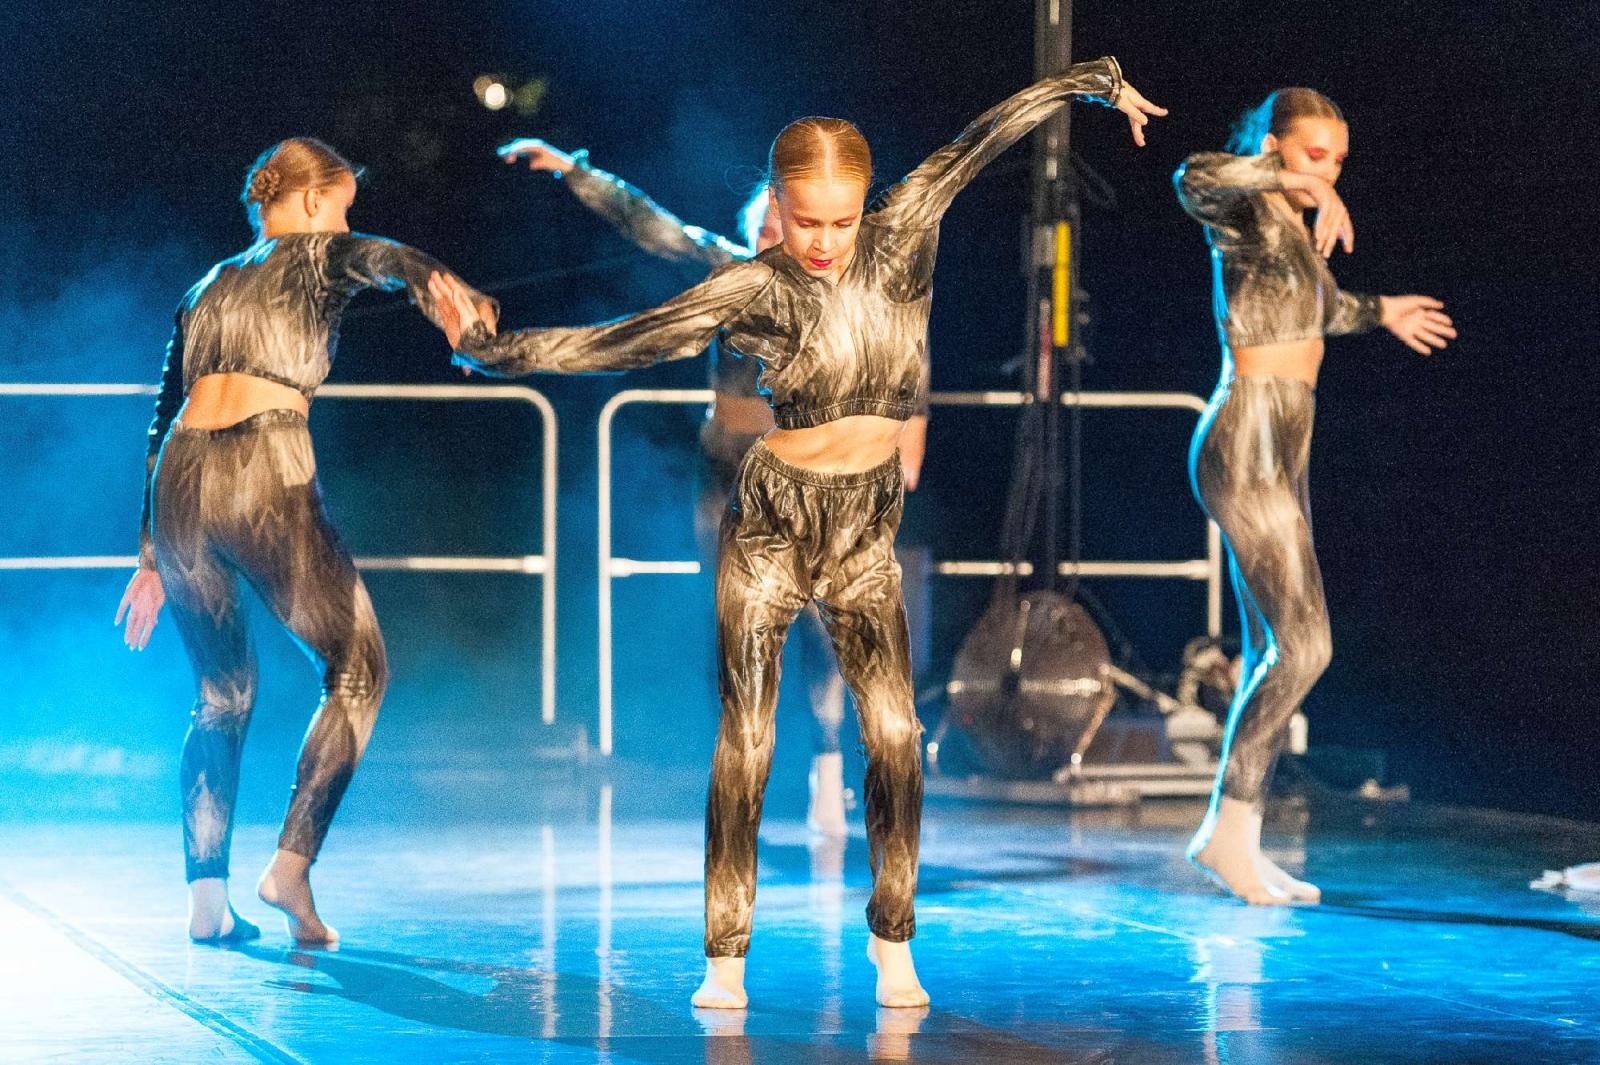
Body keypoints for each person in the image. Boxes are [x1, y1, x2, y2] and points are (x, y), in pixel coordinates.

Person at [436, 55, 1162, 1008]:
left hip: (864, 525)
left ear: (870, 201)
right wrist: (492, 350)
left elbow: (987, 135)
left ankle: (893, 942)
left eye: (839, 220)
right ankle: (724, 956)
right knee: (746, 734)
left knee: (896, 731)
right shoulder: (750, 282)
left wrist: (1091, 81)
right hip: (773, 517)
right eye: (803, 221)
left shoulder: (906, 230)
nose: (820, 242)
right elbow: (628, 338)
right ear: (777, 205)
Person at [114, 137, 496, 944]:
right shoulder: (319, 252)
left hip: (179, 482)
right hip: (262, 463)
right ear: (315, 203)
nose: (347, 221)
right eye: (345, 205)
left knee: (220, 695)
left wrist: (150, 555)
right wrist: (455, 300)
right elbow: (392, 260)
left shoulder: (205, 283)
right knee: (359, 667)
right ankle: (290, 865)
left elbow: (160, 419)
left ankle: (206, 908)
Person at [497, 137, 932, 834]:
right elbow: (655, 227)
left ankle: (827, 761)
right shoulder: (732, 273)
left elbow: (907, 362)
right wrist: (579, 171)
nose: (770, 240)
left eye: (779, 229)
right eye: (760, 229)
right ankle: (748, 778)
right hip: (726, 471)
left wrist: (906, 446)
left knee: (823, 624)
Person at [1174, 89, 1455, 905]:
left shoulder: (1290, 227)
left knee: (1278, 649)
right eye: (1312, 154)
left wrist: (1382, 310)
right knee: (1306, 647)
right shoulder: (1244, 203)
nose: (1327, 173)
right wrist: (1288, 180)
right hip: (1247, 436)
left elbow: (1317, 312)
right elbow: (1188, 175)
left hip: (1286, 440)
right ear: (1273, 145)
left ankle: (1238, 839)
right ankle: (1226, 833)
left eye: (1336, 161)